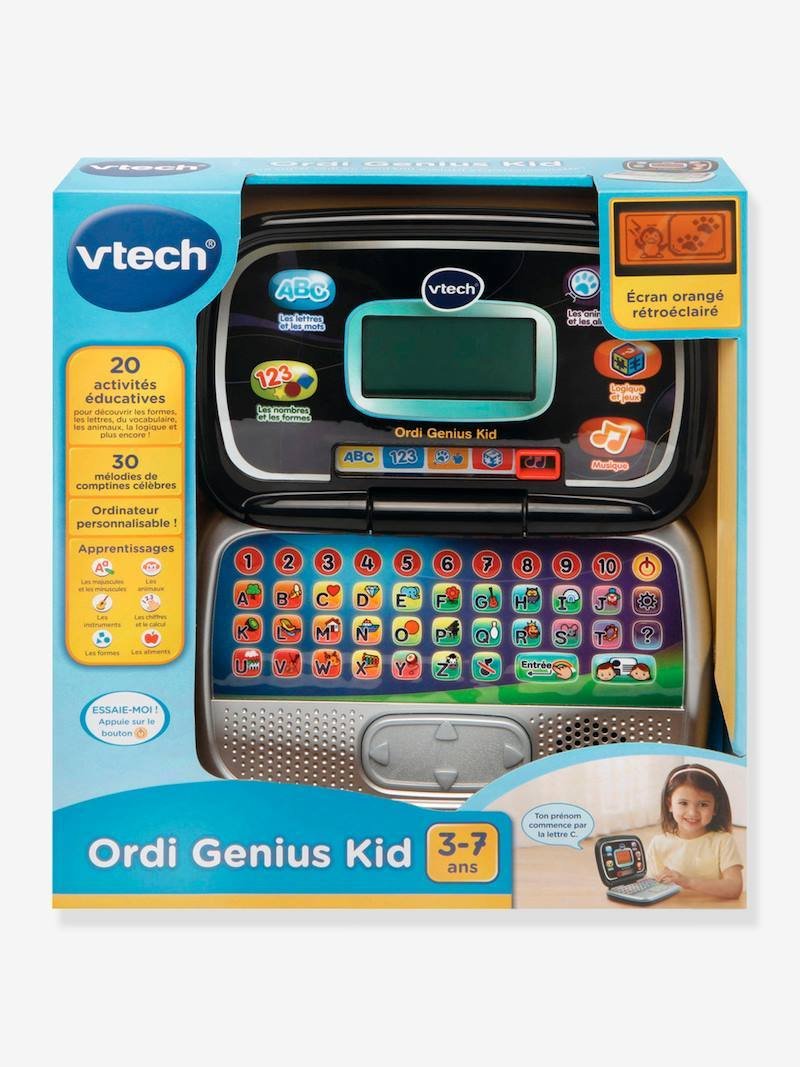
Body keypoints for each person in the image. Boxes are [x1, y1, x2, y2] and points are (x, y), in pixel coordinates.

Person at [646, 764, 743, 899]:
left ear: (715, 808)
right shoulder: (658, 843)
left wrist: (688, 882)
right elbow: (651, 887)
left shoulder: (724, 841)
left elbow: (734, 887)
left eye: (703, 804)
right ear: (669, 804)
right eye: (683, 803)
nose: (692, 813)